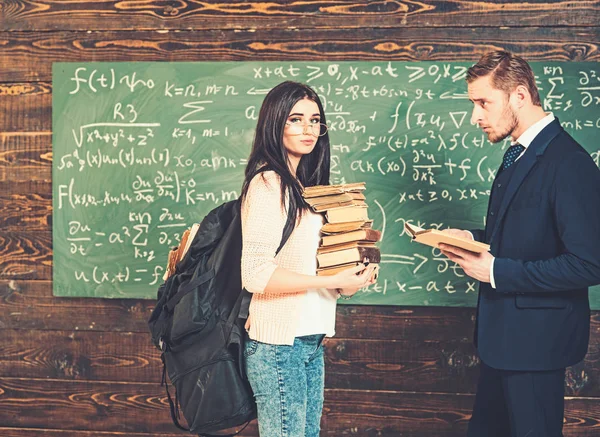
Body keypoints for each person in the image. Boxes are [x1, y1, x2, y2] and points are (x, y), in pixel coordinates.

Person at [439, 50, 600, 436]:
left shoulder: (569, 162)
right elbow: (525, 236)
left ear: (520, 97)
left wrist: (495, 270)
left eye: (483, 103)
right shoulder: (519, 153)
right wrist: (473, 241)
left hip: (536, 345)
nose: (475, 116)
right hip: (503, 341)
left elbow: (590, 262)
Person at [240, 81, 377, 437]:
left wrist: (350, 279)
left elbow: (312, 269)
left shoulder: (306, 187)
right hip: (278, 346)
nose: (308, 129)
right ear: (275, 123)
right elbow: (255, 274)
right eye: (296, 119)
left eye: (315, 120)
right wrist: (329, 281)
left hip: (310, 341)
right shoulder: (269, 183)